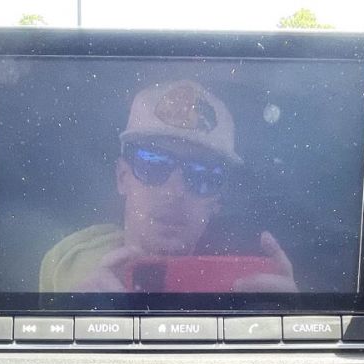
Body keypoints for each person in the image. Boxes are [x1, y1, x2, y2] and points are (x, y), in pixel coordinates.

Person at [38, 79, 296, 293]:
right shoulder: (66, 264)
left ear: (217, 200)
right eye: (153, 164)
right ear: (122, 177)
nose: (174, 192)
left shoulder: (247, 283)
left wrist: (286, 323)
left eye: (203, 176)